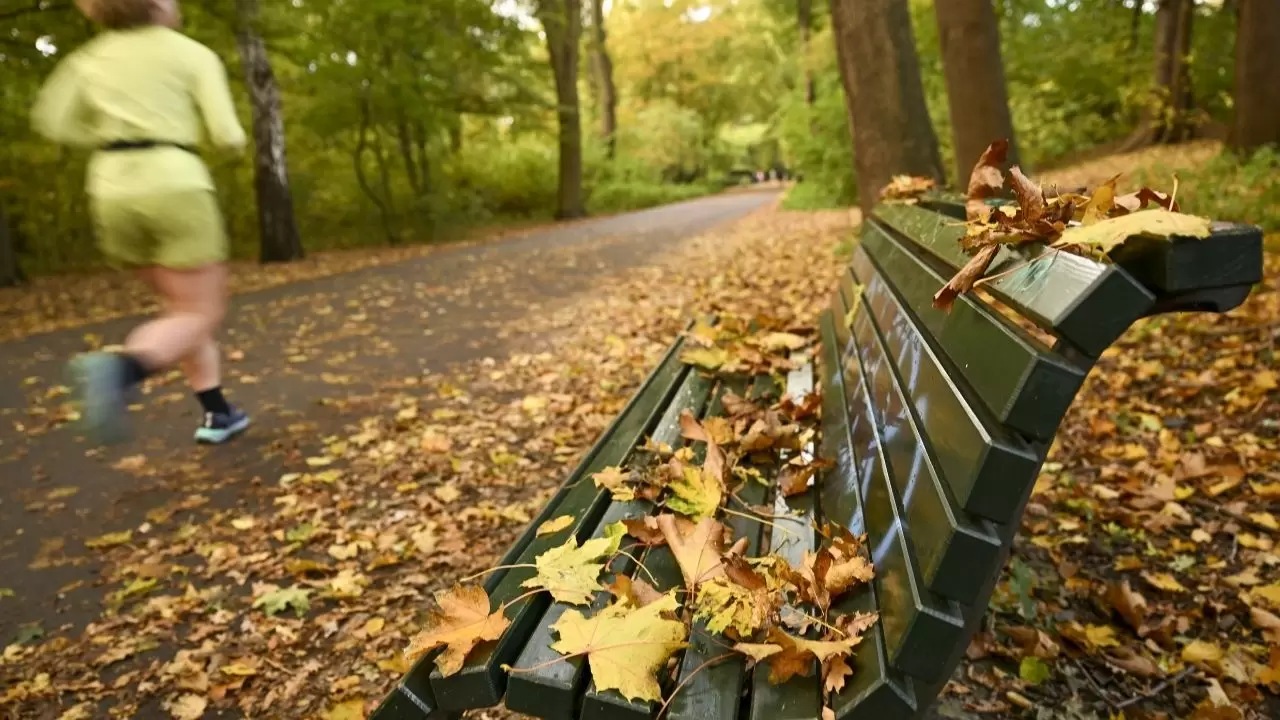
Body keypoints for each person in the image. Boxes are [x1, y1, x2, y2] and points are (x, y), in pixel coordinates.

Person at [32, 0, 250, 445]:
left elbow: (52, 121)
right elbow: (228, 135)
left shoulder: (88, 58)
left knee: (182, 312)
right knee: (199, 312)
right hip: (174, 184)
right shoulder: (191, 53)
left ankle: (218, 413)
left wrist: (110, 134)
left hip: (110, 190)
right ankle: (122, 368)